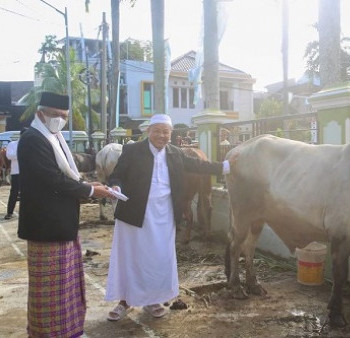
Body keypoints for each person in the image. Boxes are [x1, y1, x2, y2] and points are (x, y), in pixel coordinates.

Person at [105, 114, 231, 321]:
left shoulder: (176, 153)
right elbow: (117, 174)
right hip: (134, 213)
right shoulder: (132, 150)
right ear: (149, 132)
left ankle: (153, 300)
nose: (162, 136)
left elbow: (200, 166)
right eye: (157, 131)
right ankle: (124, 301)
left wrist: (226, 166)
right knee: (131, 257)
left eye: (166, 132)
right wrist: (116, 185)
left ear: (171, 134)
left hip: (163, 215)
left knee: (158, 258)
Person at [17, 91, 114, 337]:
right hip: (46, 228)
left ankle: (70, 329)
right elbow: (53, 179)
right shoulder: (33, 139)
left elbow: (71, 170)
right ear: (40, 114)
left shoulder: (54, 138)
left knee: (67, 285)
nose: (60, 120)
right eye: (55, 115)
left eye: (65, 116)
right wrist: (92, 190)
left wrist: (93, 183)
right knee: (49, 290)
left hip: (62, 225)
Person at [4, 128, 26, 220]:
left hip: (28, 173)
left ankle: (26, 214)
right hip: (16, 172)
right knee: (14, 193)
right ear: (21, 135)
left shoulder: (30, 145)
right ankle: (9, 212)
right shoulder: (12, 144)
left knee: (27, 193)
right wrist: (21, 154)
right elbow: (9, 156)